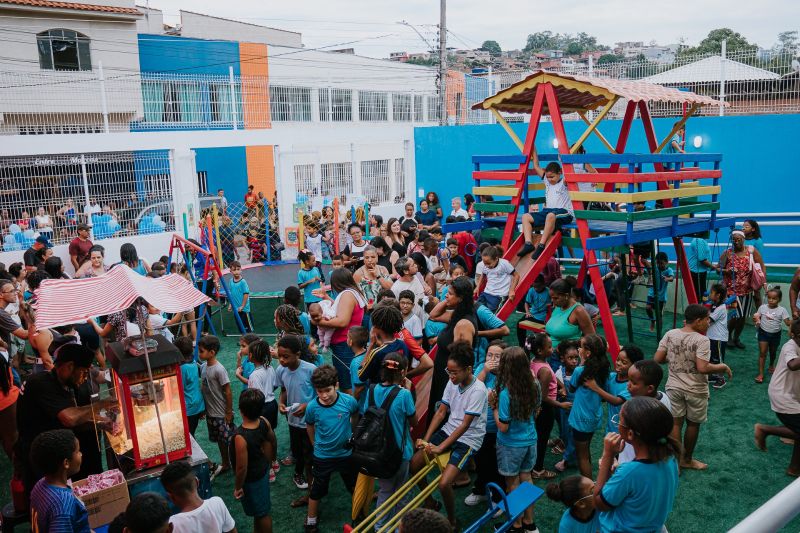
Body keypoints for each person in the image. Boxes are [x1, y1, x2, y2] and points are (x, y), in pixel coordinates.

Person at [15, 341, 113, 496]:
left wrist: (102, 425)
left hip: (54, 452)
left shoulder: (62, 384)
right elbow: (70, 418)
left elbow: (73, 418)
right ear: (69, 366)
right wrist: (101, 404)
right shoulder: (41, 383)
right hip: (40, 458)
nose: (85, 378)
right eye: (83, 372)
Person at [411, 341, 487, 530]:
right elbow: (440, 412)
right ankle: (429, 502)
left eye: (455, 372)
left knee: (444, 484)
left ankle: (452, 521)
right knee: (414, 464)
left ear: (468, 369)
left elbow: (465, 425)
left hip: (469, 438)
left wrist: (441, 447)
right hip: (450, 430)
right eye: (449, 372)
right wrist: (427, 439)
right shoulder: (452, 382)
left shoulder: (478, 390)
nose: (451, 376)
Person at [654, 304, 732, 470]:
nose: (708, 323)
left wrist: (675, 359)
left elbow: (658, 358)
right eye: (706, 320)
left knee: (675, 424)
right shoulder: (702, 340)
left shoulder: (670, 334)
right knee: (693, 424)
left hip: (673, 387)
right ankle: (687, 460)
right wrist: (722, 367)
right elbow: (703, 367)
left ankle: (676, 463)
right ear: (697, 321)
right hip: (696, 390)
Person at [594, 397, 680, 533]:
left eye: (619, 421)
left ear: (630, 434)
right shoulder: (671, 458)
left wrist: (607, 457)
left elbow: (599, 503)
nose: (617, 425)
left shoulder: (629, 472)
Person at [303, 365, 359, 533]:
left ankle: (361, 516)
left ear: (336, 385)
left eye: (327, 390)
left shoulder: (348, 401)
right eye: (319, 391)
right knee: (317, 488)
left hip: (346, 454)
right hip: (323, 456)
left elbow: (355, 415)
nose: (324, 395)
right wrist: (314, 444)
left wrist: (352, 434)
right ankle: (311, 521)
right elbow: (309, 425)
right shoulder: (312, 407)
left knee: (354, 486)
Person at [491, 346, 540, 533]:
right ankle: (529, 523)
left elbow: (503, 426)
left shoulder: (506, 393)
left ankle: (516, 525)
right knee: (527, 477)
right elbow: (536, 411)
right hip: (530, 439)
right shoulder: (534, 384)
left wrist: (493, 407)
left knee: (512, 483)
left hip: (511, 444)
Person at [369, 352, 418, 529]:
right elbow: (414, 421)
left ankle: (380, 527)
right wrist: (411, 391)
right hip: (401, 451)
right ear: (403, 372)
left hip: (379, 452)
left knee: (385, 490)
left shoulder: (372, 389)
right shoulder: (404, 394)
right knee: (403, 492)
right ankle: (400, 528)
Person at [426, 277, 478, 421]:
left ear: (461, 298)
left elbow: (462, 359)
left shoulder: (463, 323)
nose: (446, 295)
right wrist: (449, 299)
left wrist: (452, 383)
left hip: (450, 379)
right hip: (442, 375)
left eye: (450, 293)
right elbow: (433, 315)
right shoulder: (457, 315)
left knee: (442, 416)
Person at [755, 318, 800, 477]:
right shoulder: (790, 347)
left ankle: (794, 468)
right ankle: (765, 429)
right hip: (782, 395)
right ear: (793, 335)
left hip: (793, 394)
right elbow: (793, 365)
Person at [276, 335, 316, 502]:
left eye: (286, 356)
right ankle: (298, 474)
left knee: (310, 453)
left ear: (298, 354)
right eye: (279, 356)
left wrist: (307, 406)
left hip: (310, 421)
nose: (282, 360)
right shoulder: (281, 370)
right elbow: (284, 390)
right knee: (298, 451)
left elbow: (322, 394)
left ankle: (312, 483)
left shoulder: (311, 369)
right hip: (292, 421)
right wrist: (280, 403)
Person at [464, 340, 504, 507]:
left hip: (497, 429)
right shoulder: (482, 368)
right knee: (481, 461)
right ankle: (480, 490)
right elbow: (472, 389)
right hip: (479, 427)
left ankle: (498, 498)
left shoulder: (507, 374)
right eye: (489, 355)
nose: (492, 359)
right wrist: (486, 370)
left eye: (497, 356)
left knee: (495, 464)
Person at [232, 389, 277, 533]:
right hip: (263, 471)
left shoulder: (240, 437)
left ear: (241, 410)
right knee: (259, 512)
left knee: (262, 513)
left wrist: (238, 486)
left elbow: (241, 468)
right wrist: (270, 462)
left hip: (251, 480)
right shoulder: (264, 421)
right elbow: (272, 441)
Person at [29, 429, 90, 533]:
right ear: (66, 463)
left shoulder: (39, 485)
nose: (81, 454)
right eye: (77, 451)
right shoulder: (63, 505)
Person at [517, 147, 573, 260]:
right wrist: (533, 150)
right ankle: (528, 244)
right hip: (548, 212)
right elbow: (536, 166)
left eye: (552, 177)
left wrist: (563, 155)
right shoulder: (547, 182)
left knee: (550, 216)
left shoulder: (563, 183)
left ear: (559, 173)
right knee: (525, 217)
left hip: (564, 212)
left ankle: (541, 245)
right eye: (548, 177)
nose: (550, 179)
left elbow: (567, 169)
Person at [568, 334, 611, 478]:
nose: (578, 349)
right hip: (594, 416)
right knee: (586, 450)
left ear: (588, 353)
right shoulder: (603, 370)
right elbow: (604, 395)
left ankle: (588, 487)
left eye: (581, 347)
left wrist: (581, 363)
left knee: (582, 456)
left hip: (580, 418)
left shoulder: (580, 371)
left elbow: (571, 389)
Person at [528, 333, 570, 480]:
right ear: (540, 350)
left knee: (538, 435)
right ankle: (538, 469)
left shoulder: (534, 362)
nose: (553, 349)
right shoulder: (544, 370)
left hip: (540, 407)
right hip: (546, 409)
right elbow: (544, 398)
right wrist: (561, 404)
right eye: (550, 347)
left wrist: (561, 385)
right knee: (541, 438)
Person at [618, 359, 673, 465]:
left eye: (633, 383)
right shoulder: (664, 398)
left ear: (650, 388)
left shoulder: (634, 409)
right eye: (628, 380)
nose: (628, 385)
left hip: (633, 459)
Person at [719, 230, 766, 349]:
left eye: (738, 239)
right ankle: (728, 336)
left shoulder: (751, 251)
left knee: (742, 317)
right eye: (734, 239)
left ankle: (736, 338)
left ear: (743, 239)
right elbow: (717, 269)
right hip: (731, 291)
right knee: (734, 316)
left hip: (747, 290)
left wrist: (763, 281)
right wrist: (727, 271)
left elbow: (761, 266)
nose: (736, 242)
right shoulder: (727, 253)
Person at [161, 461, 237, 533]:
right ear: (197, 482)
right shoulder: (217, 503)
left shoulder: (172, 524)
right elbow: (232, 530)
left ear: (170, 496)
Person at [199, 335, 235, 479]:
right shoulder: (203, 366)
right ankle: (226, 463)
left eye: (202, 351)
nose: (199, 354)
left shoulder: (219, 369)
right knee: (220, 440)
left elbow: (228, 390)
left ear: (212, 352)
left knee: (229, 439)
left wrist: (228, 411)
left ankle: (236, 462)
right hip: (210, 412)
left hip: (221, 412)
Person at [545, 278, 595, 371]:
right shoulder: (558, 307)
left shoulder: (578, 310)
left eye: (555, 298)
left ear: (566, 296)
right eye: (551, 298)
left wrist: (568, 344)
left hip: (565, 358)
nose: (553, 301)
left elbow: (591, 337)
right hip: (550, 354)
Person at [357, 302, 408, 386]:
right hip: (397, 390)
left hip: (379, 395)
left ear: (376, 328)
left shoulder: (377, 352)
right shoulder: (402, 344)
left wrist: (371, 345)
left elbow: (361, 375)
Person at [754, 286, 791, 384]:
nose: (771, 300)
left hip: (775, 335)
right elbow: (757, 317)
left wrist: (795, 321)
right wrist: (756, 319)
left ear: (779, 299)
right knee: (762, 353)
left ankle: (771, 365)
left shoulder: (782, 310)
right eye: (769, 298)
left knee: (773, 352)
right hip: (763, 333)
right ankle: (761, 374)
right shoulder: (762, 307)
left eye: (774, 298)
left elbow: (788, 323)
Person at [554, 340, 579, 472]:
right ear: (563, 359)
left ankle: (566, 459)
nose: (574, 361)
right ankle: (570, 454)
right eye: (570, 358)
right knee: (564, 432)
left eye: (576, 358)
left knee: (572, 434)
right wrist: (561, 388)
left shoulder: (579, 373)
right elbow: (556, 382)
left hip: (576, 410)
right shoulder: (559, 373)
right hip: (564, 410)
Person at [353, 245, 393, 328]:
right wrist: (364, 305)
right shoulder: (358, 274)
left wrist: (378, 276)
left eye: (373, 257)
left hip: (384, 310)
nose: (370, 260)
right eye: (367, 258)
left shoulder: (383, 269)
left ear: (377, 257)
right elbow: (355, 294)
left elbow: (390, 288)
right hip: (367, 312)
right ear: (363, 259)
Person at [174, 336, 205, 437]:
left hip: (188, 407)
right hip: (197, 404)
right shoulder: (193, 362)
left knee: (187, 435)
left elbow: (179, 388)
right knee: (191, 432)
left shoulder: (182, 368)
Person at [474, 245, 518, 314]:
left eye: (489, 263)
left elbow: (516, 276)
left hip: (498, 296)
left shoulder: (504, 264)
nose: (486, 266)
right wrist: (478, 287)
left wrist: (511, 290)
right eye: (485, 263)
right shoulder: (485, 264)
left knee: (490, 315)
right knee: (477, 308)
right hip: (486, 292)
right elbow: (483, 274)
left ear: (496, 259)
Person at [707, 283, 729, 388]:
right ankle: (713, 375)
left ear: (718, 295)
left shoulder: (721, 308)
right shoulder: (714, 305)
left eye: (712, 292)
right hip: (712, 336)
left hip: (719, 338)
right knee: (711, 358)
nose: (709, 294)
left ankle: (721, 378)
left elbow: (709, 320)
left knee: (718, 359)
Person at [645, 252, 674, 332]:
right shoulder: (655, 268)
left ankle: (659, 332)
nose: (660, 265)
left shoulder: (669, 270)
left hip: (661, 297)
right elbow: (647, 268)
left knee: (659, 316)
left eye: (662, 263)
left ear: (666, 262)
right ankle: (652, 321)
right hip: (652, 293)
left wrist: (667, 279)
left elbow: (671, 278)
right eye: (658, 263)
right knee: (648, 308)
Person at [686, 235, 718, 302]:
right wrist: (712, 267)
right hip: (697, 273)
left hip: (699, 272)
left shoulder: (700, 240)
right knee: (700, 296)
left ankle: (699, 309)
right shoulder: (699, 241)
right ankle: (699, 310)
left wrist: (711, 266)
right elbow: (702, 259)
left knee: (701, 295)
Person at [226, 260, 253, 333]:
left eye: (238, 269)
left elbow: (246, 294)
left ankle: (251, 340)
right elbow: (231, 294)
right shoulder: (231, 281)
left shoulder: (243, 282)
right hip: (236, 309)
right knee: (240, 325)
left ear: (241, 270)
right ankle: (244, 339)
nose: (236, 272)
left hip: (244, 309)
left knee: (248, 327)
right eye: (234, 270)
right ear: (230, 271)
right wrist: (230, 305)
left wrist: (242, 306)